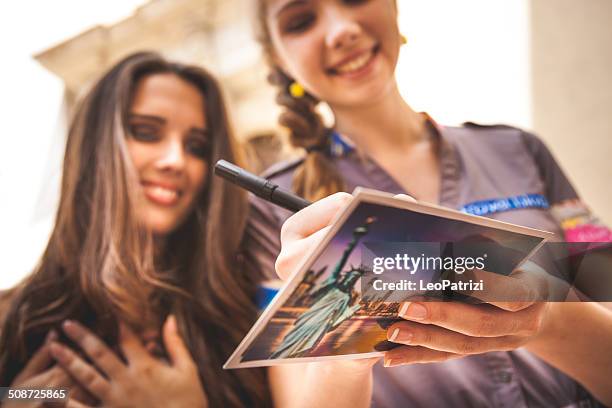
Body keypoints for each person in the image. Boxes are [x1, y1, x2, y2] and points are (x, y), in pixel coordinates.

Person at [245, 0, 612, 406]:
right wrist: (342, 343)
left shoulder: (519, 150)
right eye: (300, 22)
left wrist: (546, 316)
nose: (340, 31)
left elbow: (604, 288)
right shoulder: (272, 215)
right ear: (279, 59)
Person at [0, 52, 271, 407]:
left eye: (197, 147)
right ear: (94, 148)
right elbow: (15, 393)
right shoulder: (14, 315)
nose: (175, 160)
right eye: (146, 133)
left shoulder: (247, 308)